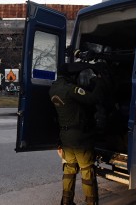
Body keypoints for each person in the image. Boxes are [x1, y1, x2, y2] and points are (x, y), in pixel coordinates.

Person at [49, 63, 107, 205]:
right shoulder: (71, 89)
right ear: (70, 76)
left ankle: (66, 202)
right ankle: (91, 203)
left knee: (69, 169)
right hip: (80, 137)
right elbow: (93, 99)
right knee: (87, 172)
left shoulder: (53, 89)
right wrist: (99, 80)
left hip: (65, 136)